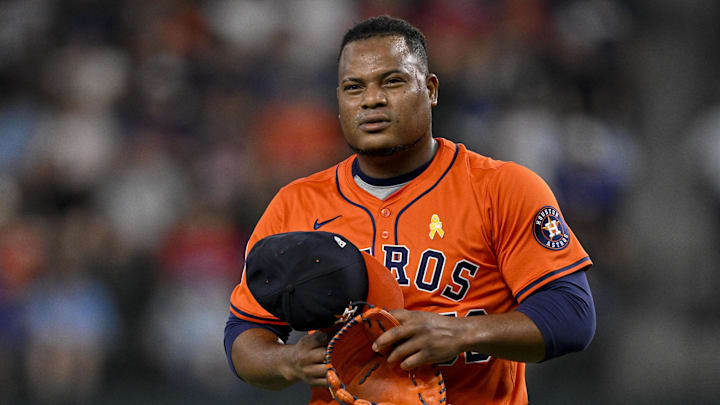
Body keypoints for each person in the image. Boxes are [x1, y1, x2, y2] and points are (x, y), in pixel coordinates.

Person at [224, 15, 596, 405]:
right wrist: (290, 361)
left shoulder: (501, 188)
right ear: (339, 102)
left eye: (392, 81)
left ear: (431, 89)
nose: (372, 99)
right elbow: (244, 332)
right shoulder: (296, 204)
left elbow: (571, 316)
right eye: (354, 88)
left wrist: (464, 333)